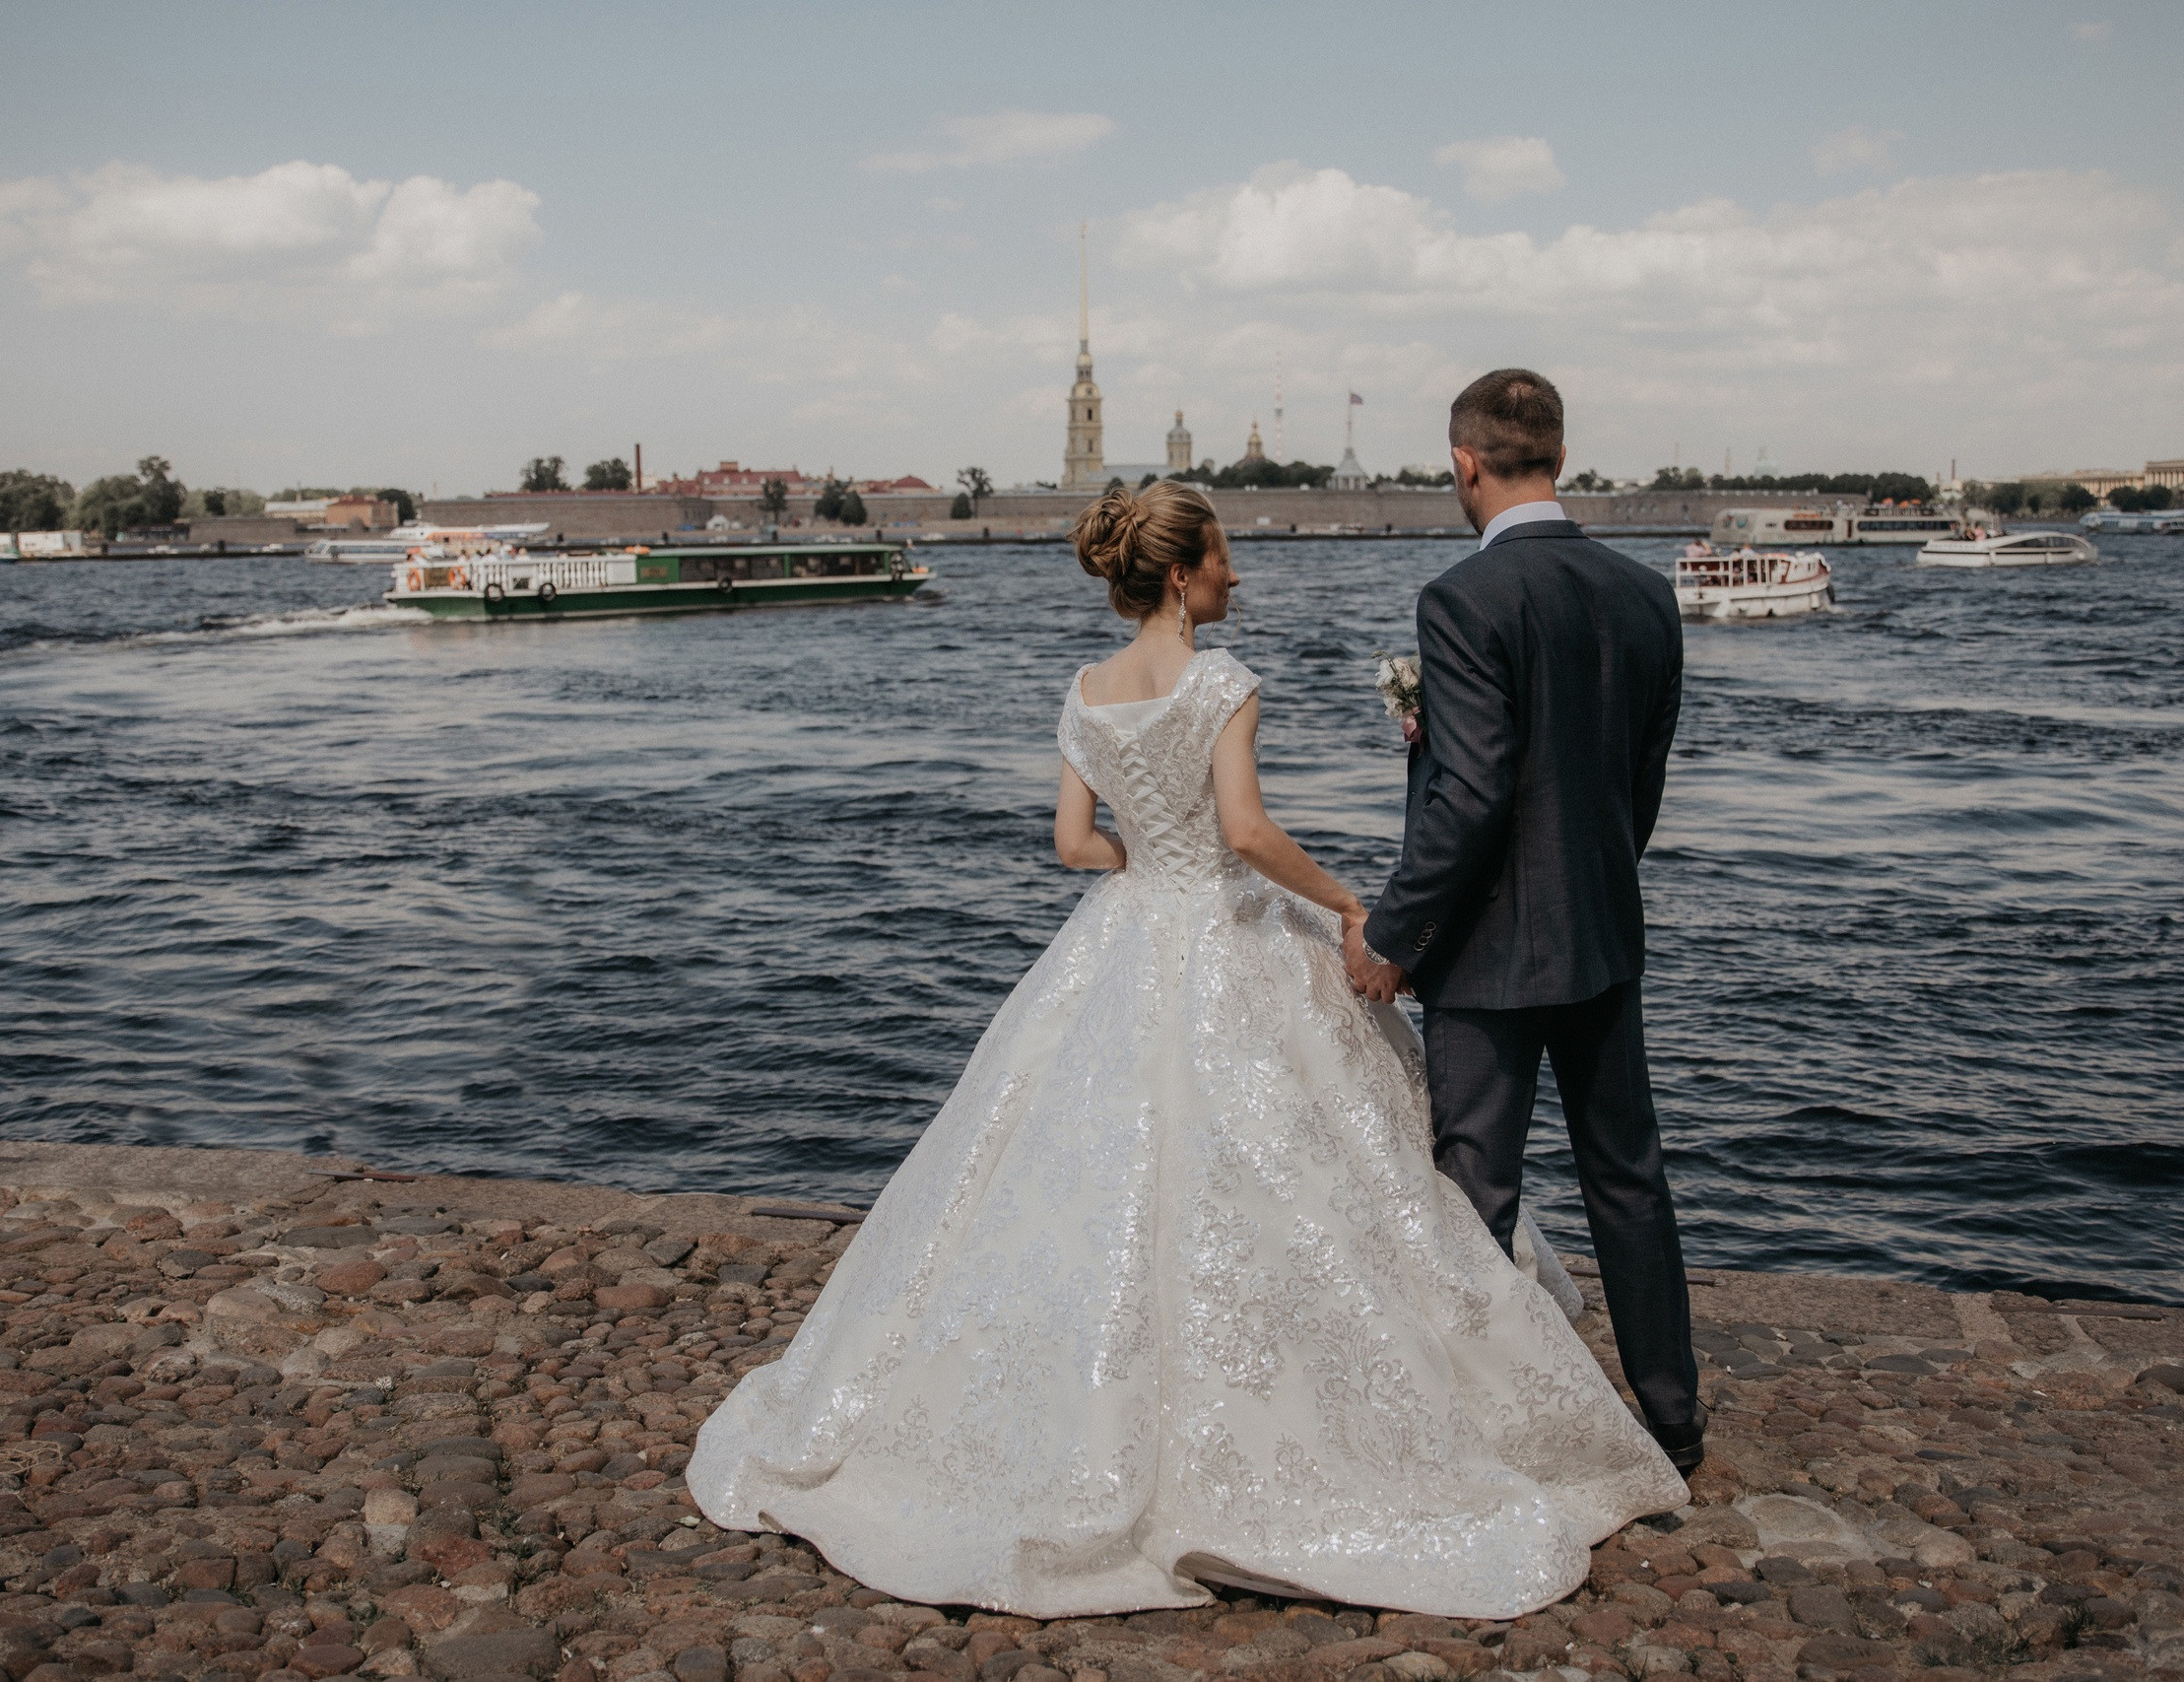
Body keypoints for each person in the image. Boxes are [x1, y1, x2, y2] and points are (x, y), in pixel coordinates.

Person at [689, 479, 1686, 1621]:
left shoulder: (1083, 692)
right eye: (1222, 555)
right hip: (1222, 928)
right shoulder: (1221, 682)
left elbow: (1072, 843)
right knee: (1298, 1162)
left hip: (1124, 932)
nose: (1237, 573)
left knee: (1068, 1173)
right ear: (1179, 573)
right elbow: (1250, 832)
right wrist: (1352, 906)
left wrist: (1146, 876)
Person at [1346, 370, 1704, 1473]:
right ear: (1559, 453)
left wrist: (1393, 935)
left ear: (1463, 463)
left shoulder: (1463, 599)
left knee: (1473, 1188)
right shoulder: (1645, 594)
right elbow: (1637, 785)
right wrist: (1590, 882)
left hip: (1489, 951)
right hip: (1600, 932)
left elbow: (1470, 794)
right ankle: (1671, 1420)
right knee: (1627, 1177)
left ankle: (1466, 1426)